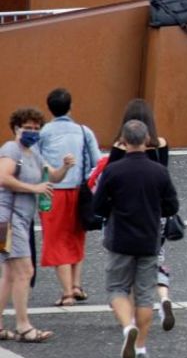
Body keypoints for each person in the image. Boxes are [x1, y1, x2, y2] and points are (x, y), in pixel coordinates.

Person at [93, 119, 179, 358]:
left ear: (123, 141)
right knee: (143, 295)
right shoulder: (159, 172)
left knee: (117, 288)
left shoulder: (113, 170)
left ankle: (127, 326)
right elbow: (172, 206)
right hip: (149, 239)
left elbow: (98, 206)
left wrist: (113, 208)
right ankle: (141, 347)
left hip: (120, 238)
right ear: (146, 140)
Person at [0, 108, 74, 343]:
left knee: (10, 274)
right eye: (27, 128)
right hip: (8, 219)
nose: (32, 132)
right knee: (25, 271)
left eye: (35, 128)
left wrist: (65, 166)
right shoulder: (11, 150)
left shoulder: (33, 153)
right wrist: (35, 189)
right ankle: (23, 326)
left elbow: (52, 177)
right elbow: (3, 177)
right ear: (16, 129)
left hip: (18, 220)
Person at [107, 99, 176, 331]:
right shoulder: (161, 144)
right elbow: (164, 175)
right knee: (155, 260)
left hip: (125, 215)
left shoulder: (119, 147)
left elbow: (110, 179)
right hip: (155, 213)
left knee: (122, 268)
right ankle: (163, 297)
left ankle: (128, 314)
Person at [37, 88, 99, 305]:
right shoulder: (84, 131)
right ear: (71, 107)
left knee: (56, 239)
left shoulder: (43, 133)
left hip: (51, 192)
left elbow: (32, 161)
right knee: (76, 237)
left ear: (49, 108)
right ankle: (76, 285)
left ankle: (66, 292)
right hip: (80, 192)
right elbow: (96, 162)